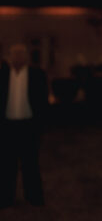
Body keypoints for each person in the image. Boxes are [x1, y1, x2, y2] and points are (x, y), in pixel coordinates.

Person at [0, 43, 49, 208]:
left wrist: (40, 125)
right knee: (7, 164)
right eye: (14, 54)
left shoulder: (37, 74)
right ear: (9, 57)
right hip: (8, 126)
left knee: (31, 163)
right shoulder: (3, 75)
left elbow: (43, 102)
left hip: (29, 126)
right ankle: (6, 198)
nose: (18, 57)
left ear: (26, 56)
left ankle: (34, 197)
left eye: (21, 53)